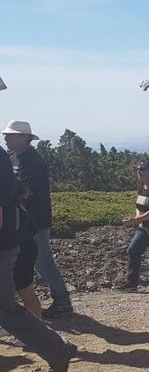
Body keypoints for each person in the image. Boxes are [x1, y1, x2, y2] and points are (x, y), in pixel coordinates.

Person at [0, 146, 77, 372]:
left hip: (3, 248)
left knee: (5, 310)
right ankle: (57, 349)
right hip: (7, 245)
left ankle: (58, 349)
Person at [2, 120, 73, 317]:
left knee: (43, 262)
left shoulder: (32, 160)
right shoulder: (12, 157)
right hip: (22, 222)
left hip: (36, 221)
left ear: (25, 138)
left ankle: (62, 301)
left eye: (10, 135)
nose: (5, 138)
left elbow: (25, 190)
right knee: (35, 262)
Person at [117, 161, 149, 292]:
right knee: (133, 250)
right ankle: (132, 283)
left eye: (142, 169)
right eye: (138, 169)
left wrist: (135, 220)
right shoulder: (142, 188)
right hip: (143, 228)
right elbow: (139, 207)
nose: (139, 171)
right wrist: (136, 219)